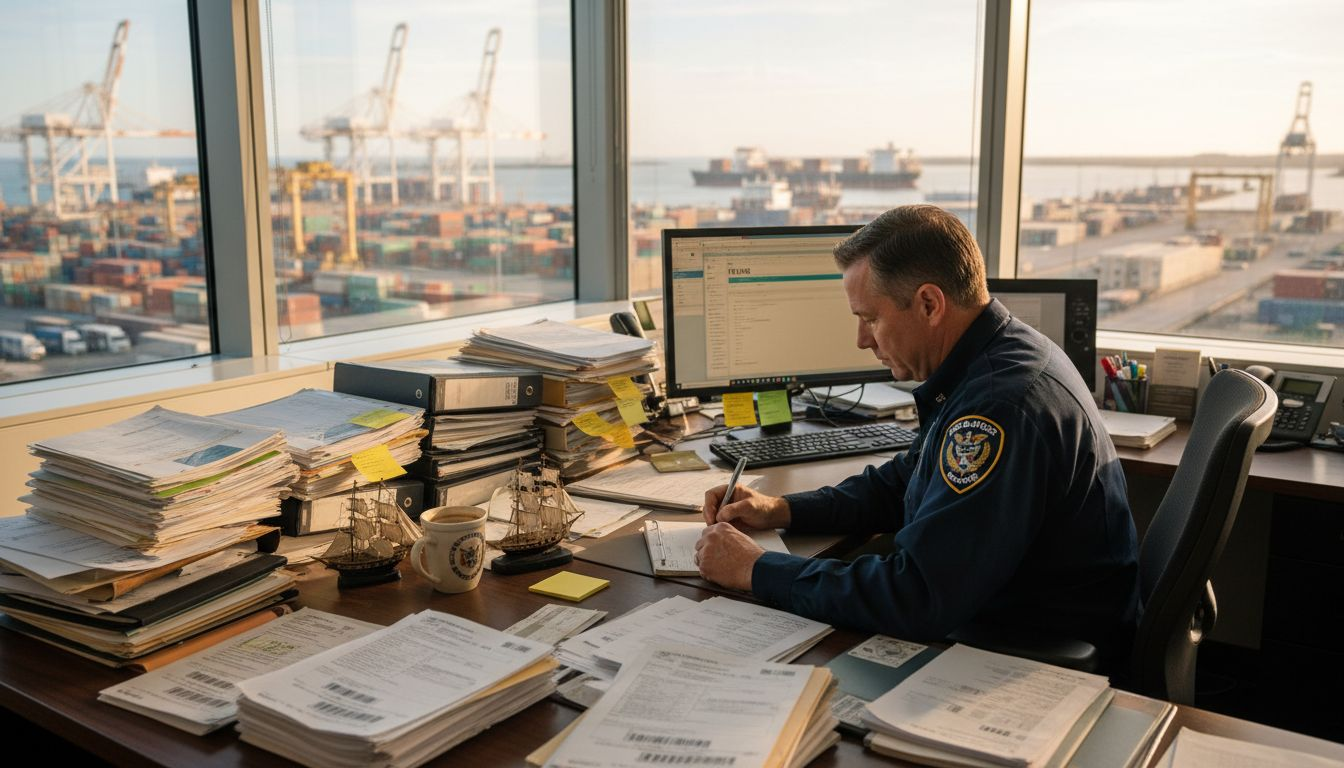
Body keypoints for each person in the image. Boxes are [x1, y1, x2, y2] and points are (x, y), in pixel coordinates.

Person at [695, 205, 1140, 662]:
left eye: (870, 318)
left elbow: (916, 596)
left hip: (1030, 653)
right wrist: (783, 509)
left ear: (929, 304)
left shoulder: (998, 408)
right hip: (1008, 614)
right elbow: (910, 480)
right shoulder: (998, 357)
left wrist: (756, 568)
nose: (862, 340)